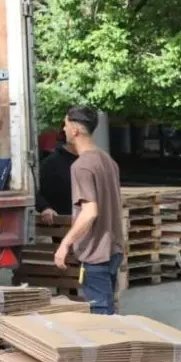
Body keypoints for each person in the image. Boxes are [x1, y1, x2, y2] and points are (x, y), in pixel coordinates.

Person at [53, 105, 124, 315]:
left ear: (75, 130)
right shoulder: (108, 160)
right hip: (113, 251)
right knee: (108, 311)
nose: (64, 129)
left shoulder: (81, 166)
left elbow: (90, 212)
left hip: (95, 255)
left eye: (65, 124)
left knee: (100, 316)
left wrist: (65, 244)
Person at [36, 130, 77, 224]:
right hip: (61, 225)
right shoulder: (50, 163)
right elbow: (35, 193)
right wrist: (45, 208)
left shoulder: (92, 161)